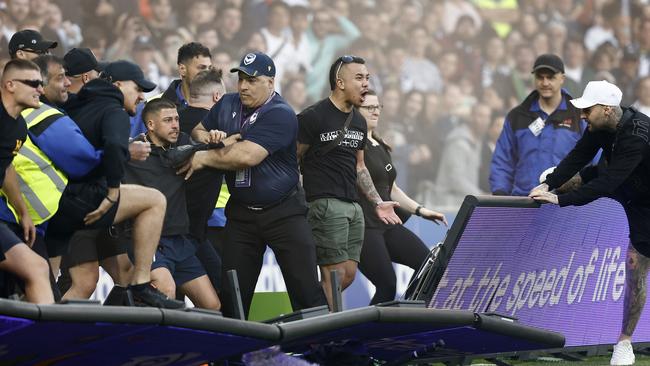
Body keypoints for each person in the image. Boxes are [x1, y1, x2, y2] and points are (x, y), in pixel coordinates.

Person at [185, 51, 327, 318]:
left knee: (307, 292)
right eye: (241, 79)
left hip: (284, 213)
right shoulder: (227, 104)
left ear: (271, 83)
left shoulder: (281, 113)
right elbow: (198, 130)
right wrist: (213, 137)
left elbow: (248, 156)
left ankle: (323, 353)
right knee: (233, 295)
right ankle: (231, 358)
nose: (243, 86)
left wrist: (203, 156)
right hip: (241, 215)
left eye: (252, 80)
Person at [528, 80, 648, 366]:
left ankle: (625, 344)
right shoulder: (599, 126)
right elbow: (578, 155)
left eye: (587, 109)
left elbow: (609, 182)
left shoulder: (637, 135)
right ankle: (625, 343)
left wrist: (562, 201)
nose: (582, 115)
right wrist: (550, 185)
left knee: (636, 265)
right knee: (558, 176)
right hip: (628, 186)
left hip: (644, 199)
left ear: (606, 110)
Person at [46, 60, 182, 308]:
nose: (141, 96)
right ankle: (141, 287)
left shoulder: (77, 104)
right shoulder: (114, 110)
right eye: (137, 88)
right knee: (155, 201)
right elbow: (113, 146)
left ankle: (107, 327)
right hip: (86, 200)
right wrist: (112, 193)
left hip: (66, 199)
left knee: (121, 274)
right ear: (118, 85)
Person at [297, 55, 401, 308]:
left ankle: (312, 315)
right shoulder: (313, 116)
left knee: (348, 276)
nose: (365, 83)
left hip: (354, 208)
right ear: (340, 82)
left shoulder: (357, 120)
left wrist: (377, 202)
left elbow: (360, 167)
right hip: (325, 204)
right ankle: (328, 338)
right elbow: (293, 158)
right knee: (334, 277)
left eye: (367, 78)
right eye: (359, 78)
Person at [125, 99, 220, 310]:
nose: (175, 125)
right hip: (150, 243)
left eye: (176, 119)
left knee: (212, 305)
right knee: (166, 292)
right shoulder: (134, 153)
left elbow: (210, 147)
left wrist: (217, 139)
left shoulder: (185, 146)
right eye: (168, 120)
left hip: (181, 242)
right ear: (150, 125)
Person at [357, 90, 447, 305]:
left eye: (378, 107)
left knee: (430, 267)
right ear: (355, 109)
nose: (375, 111)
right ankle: (369, 336)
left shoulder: (381, 145)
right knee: (387, 284)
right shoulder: (353, 145)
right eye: (369, 107)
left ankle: (408, 316)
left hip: (389, 224)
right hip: (365, 227)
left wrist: (421, 210)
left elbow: (393, 189)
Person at [490, 53, 588, 196]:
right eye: (540, 77)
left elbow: (593, 159)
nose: (545, 82)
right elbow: (503, 161)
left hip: (565, 204)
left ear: (562, 78)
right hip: (524, 203)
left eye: (550, 77)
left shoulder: (579, 115)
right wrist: (500, 195)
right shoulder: (517, 116)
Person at [0, 59, 53, 303]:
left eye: (41, 84)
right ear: (10, 85)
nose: (40, 90)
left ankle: (44, 341)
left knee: (37, 267)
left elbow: (7, 166)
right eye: (33, 83)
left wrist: (23, 212)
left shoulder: (19, 127)